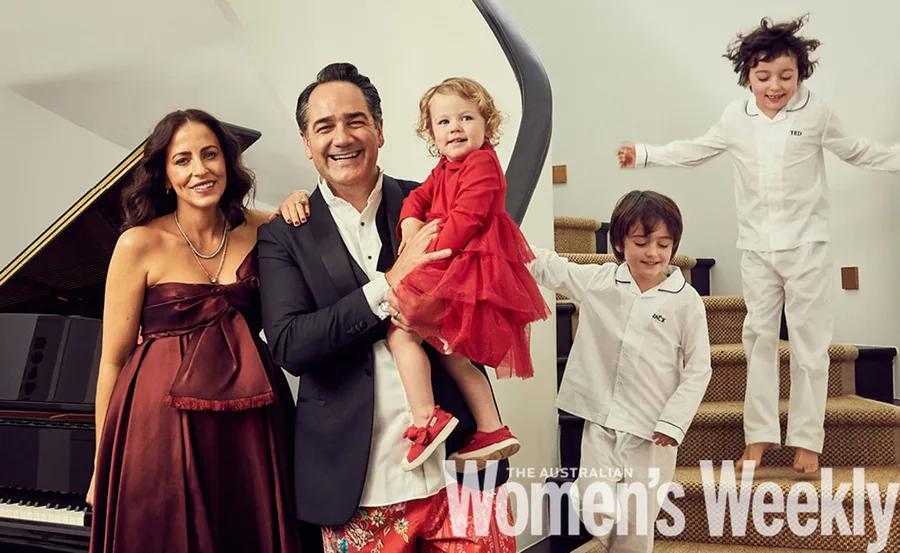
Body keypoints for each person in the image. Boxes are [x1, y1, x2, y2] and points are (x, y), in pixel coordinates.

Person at [616, 14, 900, 473]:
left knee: (810, 345)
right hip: (756, 250)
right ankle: (760, 437)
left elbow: (858, 150)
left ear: (800, 74)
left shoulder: (817, 113)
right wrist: (645, 154)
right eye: (764, 76)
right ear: (747, 75)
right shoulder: (735, 117)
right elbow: (697, 149)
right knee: (759, 342)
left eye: (786, 76)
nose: (775, 85)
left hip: (808, 246)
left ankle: (808, 439)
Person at [259, 62, 515, 553]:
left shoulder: (436, 199)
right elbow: (291, 345)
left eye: (355, 121)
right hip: (359, 482)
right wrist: (388, 287)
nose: (341, 137)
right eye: (324, 126)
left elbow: (489, 274)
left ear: (378, 129)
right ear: (305, 142)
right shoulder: (283, 234)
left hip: (462, 468)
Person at [87, 109, 299, 553]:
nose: (199, 170)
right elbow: (113, 359)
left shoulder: (265, 229)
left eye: (210, 155)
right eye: (182, 160)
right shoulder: (137, 243)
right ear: (165, 176)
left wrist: (298, 203)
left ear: (228, 163)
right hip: (158, 424)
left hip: (251, 419)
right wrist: (100, 465)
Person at [528, 190, 711, 553]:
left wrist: (674, 421)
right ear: (619, 243)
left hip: (653, 429)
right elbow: (550, 267)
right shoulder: (601, 282)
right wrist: (500, 233)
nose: (653, 253)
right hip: (603, 420)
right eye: (642, 242)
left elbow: (698, 368)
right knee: (592, 503)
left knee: (637, 522)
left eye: (663, 243)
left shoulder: (685, 300)